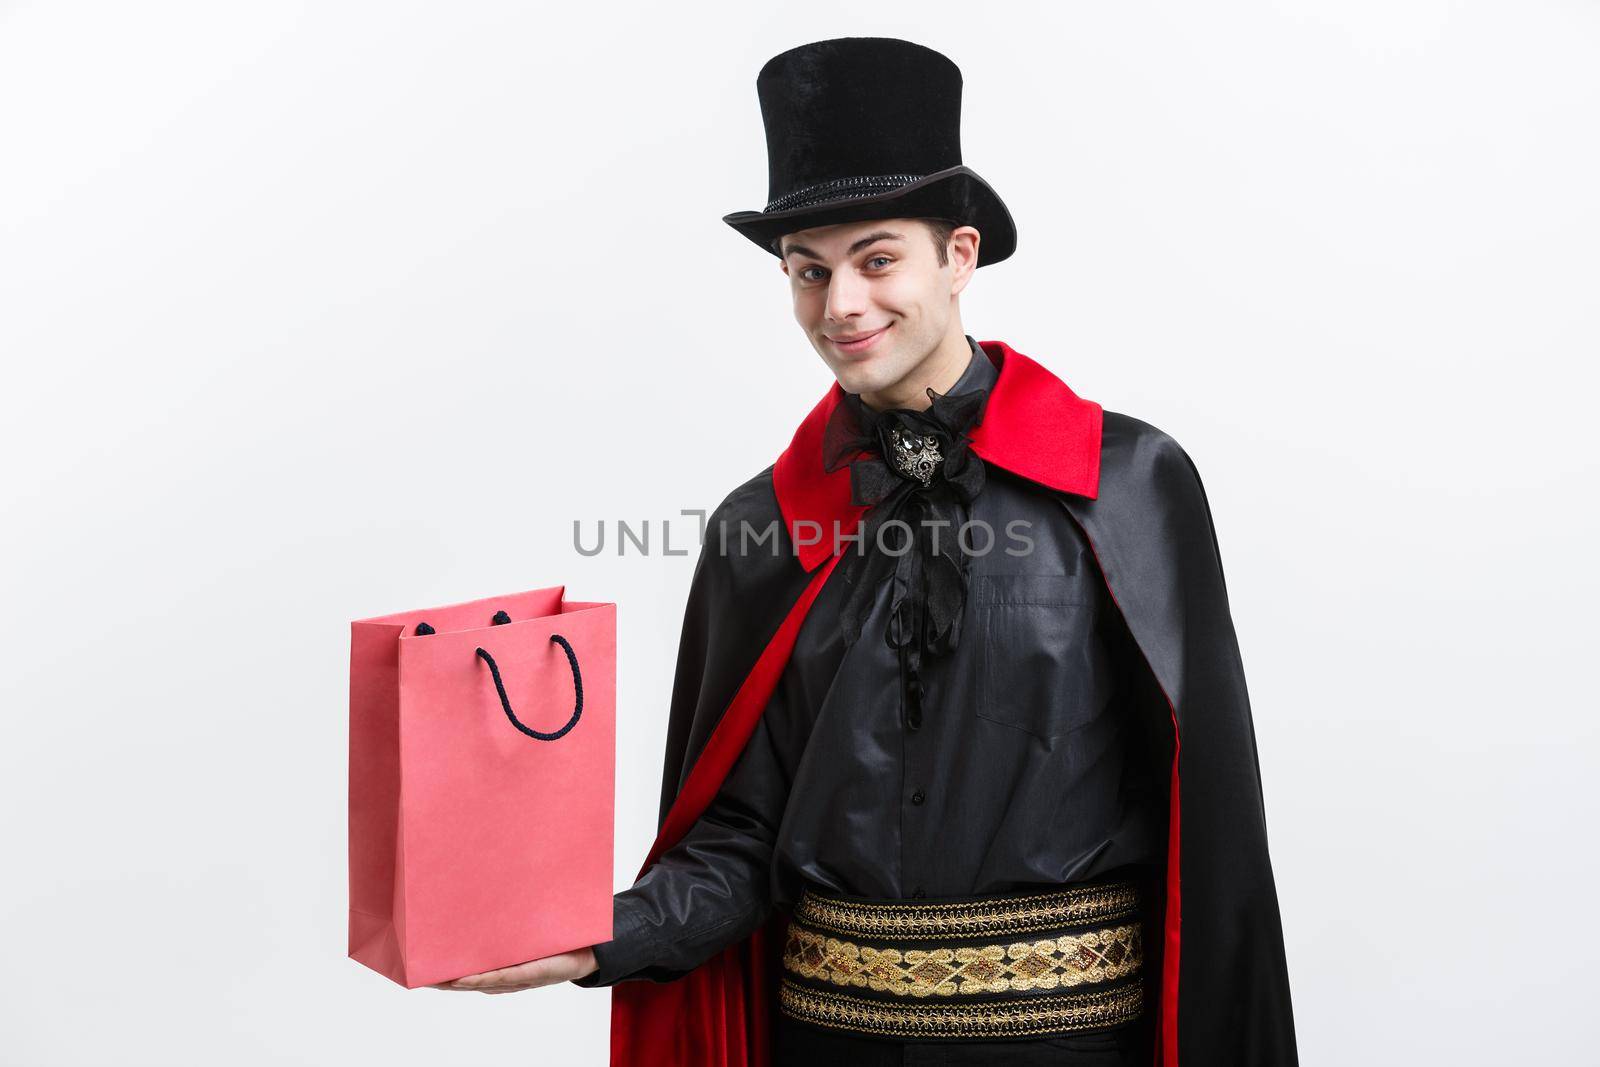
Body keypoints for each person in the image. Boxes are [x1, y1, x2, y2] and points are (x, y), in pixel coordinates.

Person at [434, 37, 1298, 1067]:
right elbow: (736, 838)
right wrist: (592, 937)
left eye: (877, 258)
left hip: (1068, 1048)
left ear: (959, 255)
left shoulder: (1126, 484)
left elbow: (1211, 835)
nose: (840, 304)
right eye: (809, 270)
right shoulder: (762, 526)